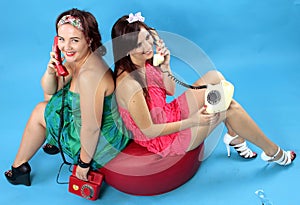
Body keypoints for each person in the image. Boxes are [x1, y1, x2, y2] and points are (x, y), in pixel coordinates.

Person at [111, 12, 296, 165]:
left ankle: (234, 136)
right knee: (227, 108)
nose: (147, 46)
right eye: (138, 44)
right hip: (163, 138)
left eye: (147, 39)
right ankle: (273, 152)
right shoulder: (130, 85)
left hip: (168, 113)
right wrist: (193, 121)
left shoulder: (144, 61)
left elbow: (170, 91)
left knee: (214, 77)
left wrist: (166, 67)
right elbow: (149, 131)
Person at [4, 8, 131, 186]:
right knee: (52, 99)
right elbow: (51, 88)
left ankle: (18, 169)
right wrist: (51, 69)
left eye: (75, 40)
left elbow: (91, 127)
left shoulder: (90, 76)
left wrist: (84, 163)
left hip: (102, 142)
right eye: (61, 39)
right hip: (92, 126)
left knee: (40, 111)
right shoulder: (79, 60)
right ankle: (55, 140)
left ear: (89, 40)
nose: (66, 47)